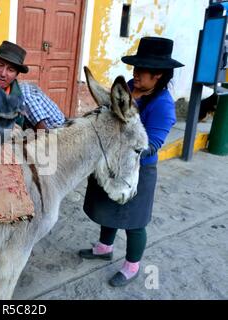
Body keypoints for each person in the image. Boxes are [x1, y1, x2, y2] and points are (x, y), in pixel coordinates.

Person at [79, 37, 184, 287]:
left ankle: (132, 266)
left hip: (137, 170)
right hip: (110, 162)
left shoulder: (163, 105)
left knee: (134, 221)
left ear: (158, 75)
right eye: (135, 69)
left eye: (142, 71)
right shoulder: (128, 87)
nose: (135, 74)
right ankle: (105, 248)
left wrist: (122, 149)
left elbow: (152, 145)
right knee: (107, 208)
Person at [0, 41, 65, 130]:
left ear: (16, 75)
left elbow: (43, 132)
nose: (3, 73)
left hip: (59, 128)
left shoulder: (20, 95)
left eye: (11, 70)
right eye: (0, 65)